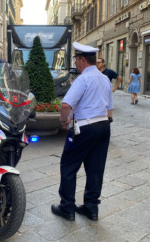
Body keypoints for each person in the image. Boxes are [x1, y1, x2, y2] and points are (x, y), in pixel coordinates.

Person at [51, 42, 113, 222]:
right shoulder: (104, 79)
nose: (76, 64)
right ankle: (91, 208)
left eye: (77, 60)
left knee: (69, 165)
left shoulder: (83, 79)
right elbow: (110, 109)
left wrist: (64, 121)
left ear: (83, 60)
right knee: (96, 168)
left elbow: (65, 105)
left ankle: (67, 208)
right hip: (103, 125)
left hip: (84, 127)